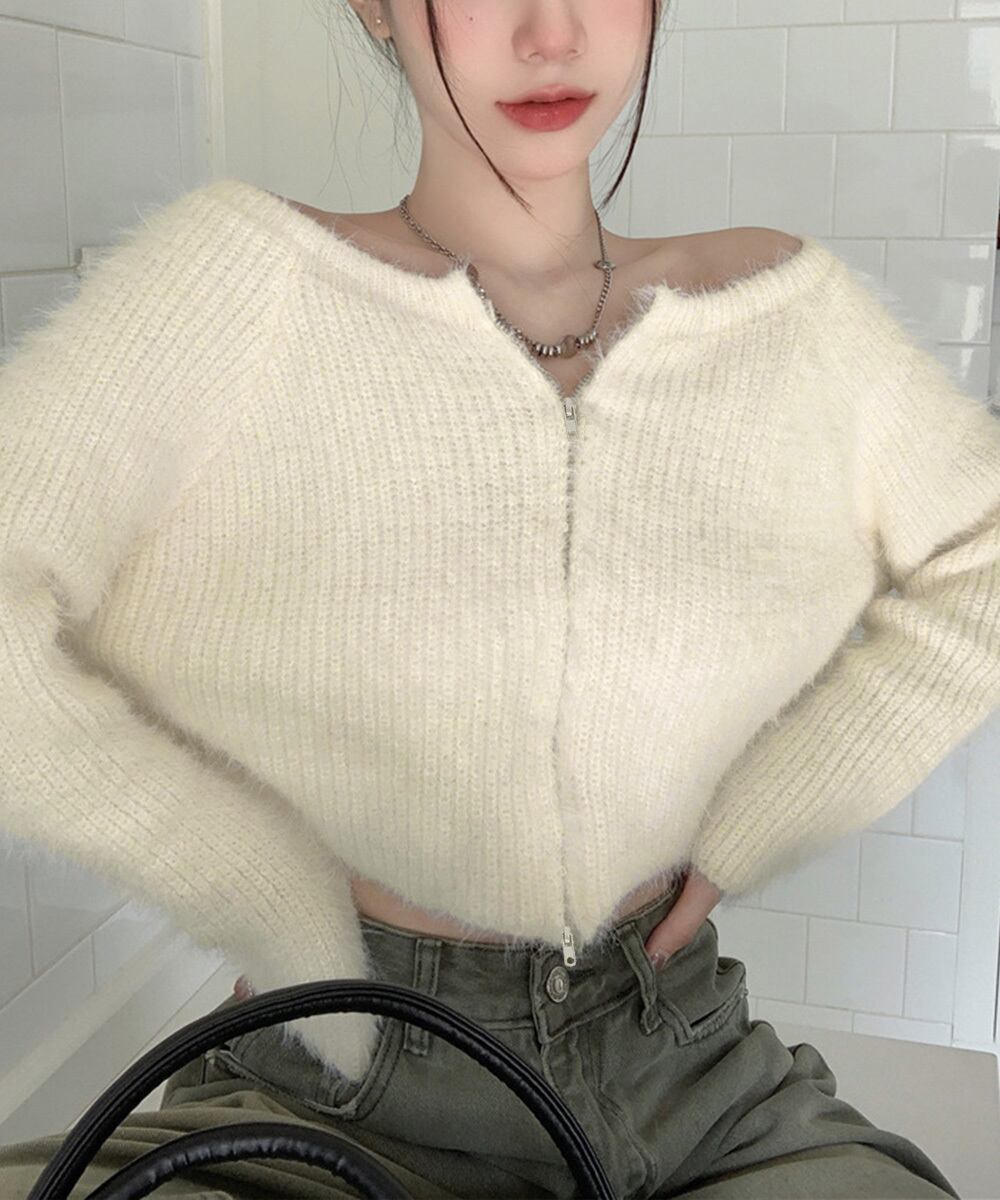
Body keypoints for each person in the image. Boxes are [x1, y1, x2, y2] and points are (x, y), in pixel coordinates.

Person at [2, 1, 996, 1196]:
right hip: (338, 1077)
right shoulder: (241, 282)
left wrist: (771, 810)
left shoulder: (778, 305)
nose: (549, 31)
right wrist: (236, 871)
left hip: (688, 1072)